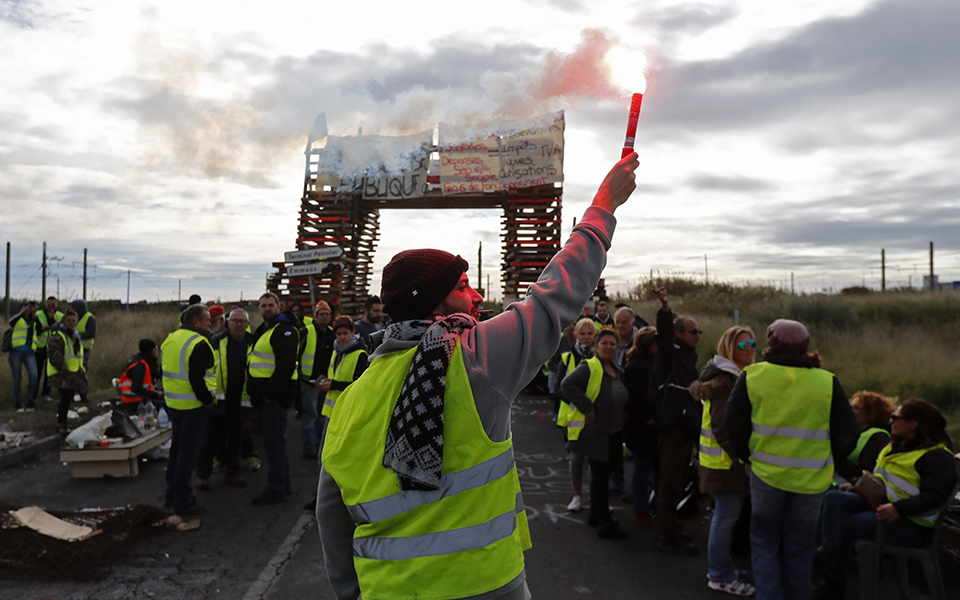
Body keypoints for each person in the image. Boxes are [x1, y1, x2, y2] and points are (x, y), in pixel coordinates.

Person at [317, 153, 639, 600]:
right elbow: (553, 300)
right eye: (463, 286)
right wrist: (604, 207)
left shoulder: (351, 399)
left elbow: (332, 521)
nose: (478, 295)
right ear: (435, 305)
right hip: (484, 585)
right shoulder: (471, 358)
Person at [725, 319, 858, 600]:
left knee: (763, 542)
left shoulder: (752, 376)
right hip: (811, 481)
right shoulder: (827, 382)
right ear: (806, 346)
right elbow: (848, 433)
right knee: (801, 547)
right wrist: (826, 458)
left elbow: (734, 425)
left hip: (766, 476)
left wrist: (747, 457)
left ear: (770, 344)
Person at [815, 399, 958, 600]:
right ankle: (828, 558)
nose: (891, 421)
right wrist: (856, 485)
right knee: (833, 499)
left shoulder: (937, 456)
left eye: (896, 417)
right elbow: (881, 479)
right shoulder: (895, 447)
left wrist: (898, 508)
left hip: (910, 524)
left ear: (912, 423)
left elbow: (935, 497)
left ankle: (830, 582)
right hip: (882, 504)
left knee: (839, 525)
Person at [689, 326, 757, 596]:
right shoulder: (727, 382)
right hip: (724, 464)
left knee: (723, 518)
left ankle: (722, 567)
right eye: (742, 345)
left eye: (751, 342)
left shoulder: (732, 377)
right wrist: (742, 457)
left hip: (719, 462)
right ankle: (719, 575)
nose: (750, 348)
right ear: (729, 349)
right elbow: (722, 426)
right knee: (724, 519)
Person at [562, 328, 631, 539]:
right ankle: (605, 522)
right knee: (600, 477)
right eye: (605, 343)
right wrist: (587, 407)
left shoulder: (617, 369)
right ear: (596, 347)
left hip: (614, 431)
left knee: (603, 475)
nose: (609, 347)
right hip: (598, 432)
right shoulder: (590, 366)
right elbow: (567, 384)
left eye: (613, 344)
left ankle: (595, 513)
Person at [651, 286, 702, 555]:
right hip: (673, 429)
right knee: (670, 484)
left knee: (679, 480)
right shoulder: (669, 357)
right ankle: (667, 536)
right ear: (679, 334)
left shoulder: (689, 359)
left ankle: (672, 527)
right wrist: (665, 308)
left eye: (699, 332)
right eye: (693, 331)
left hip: (686, 428)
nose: (698, 336)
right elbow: (663, 337)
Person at [161, 303, 216, 516]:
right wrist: (207, 400)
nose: (210, 323)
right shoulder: (199, 343)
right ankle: (183, 499)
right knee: (187, 454)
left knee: (176, 451)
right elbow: (197, 378)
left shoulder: (171, 338)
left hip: (174, 404)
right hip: (193, 406)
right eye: (207, 320)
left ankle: (171, 494)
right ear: (196, 322)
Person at [248, 292, 300, 506]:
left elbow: (285, 367)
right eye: (263, 305)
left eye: (271, 305)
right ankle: (283, 484)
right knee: (276, 443)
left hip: (274, 399)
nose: (267, 309)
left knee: (273, 444)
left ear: (279, 306)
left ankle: (276, 489)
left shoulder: (284, 331)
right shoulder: (266, 330)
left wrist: (269, 394)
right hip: (266, 398)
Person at [196, 308, 252, 490]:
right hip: (218, 401)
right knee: (209, 440)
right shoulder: (216, 342)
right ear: (228, 322)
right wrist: (207, 396)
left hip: (241, 401)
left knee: (235, 441)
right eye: (235, 320)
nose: (238, 324)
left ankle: (232, 474)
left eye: (242, 321)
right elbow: (205, 370)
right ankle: (203, 476)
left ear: (248, 324)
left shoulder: (253, 343)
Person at [558, 317, 597, 513]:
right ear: (576, 335)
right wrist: (581, 403)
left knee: (596, 460)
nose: (587, 337)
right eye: (583, 333)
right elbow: (559, 387)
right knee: (576, 459)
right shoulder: (568, 357)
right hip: (574, 417)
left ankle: (596, 498)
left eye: (590, 334)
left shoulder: (601, 357)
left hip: (595, 416)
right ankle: (577, 495)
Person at [622, 325, 658, 527]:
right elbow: (638, 396)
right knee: (643, 467)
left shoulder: (644, 363)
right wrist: (648, 417)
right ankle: (641, 508)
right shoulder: (637, 366)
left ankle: (642, 502)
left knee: (646, 467)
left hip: (642, 425)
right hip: (641, 427)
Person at [833, 391, 896, 482]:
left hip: (849, 487)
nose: (849, 410)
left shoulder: (878, 436)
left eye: (855, 408)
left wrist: (836, 458)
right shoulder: (846, 430)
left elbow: (866, 474)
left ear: (872, 413)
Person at [318, 317, 369, 430]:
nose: (342, 337)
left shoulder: (360, 354)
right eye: (339, 334)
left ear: (353, 332)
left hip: (348, 411)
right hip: (332, 412)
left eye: (345, 333)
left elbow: (361, 386)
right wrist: (327, 383)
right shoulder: (336, 352)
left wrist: (334, 385)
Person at [300, 300, 335, 459]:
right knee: (310, 414)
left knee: (322, 415)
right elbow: (297, 355)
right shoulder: (306, 331)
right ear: (316, 316)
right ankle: (309, 447)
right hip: (309, 382)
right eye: (322, 314)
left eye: (327, 314)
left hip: (325, 383)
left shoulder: (332, 334)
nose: (324, 317)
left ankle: (321, 445)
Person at [47, 309, 87, 433]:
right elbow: (55, 357)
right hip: (60, 373)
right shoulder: (58, 336)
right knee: (66, 397)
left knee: (68, 398)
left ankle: (63, 423)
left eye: (74, 321)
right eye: (68, 320)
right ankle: (61, 424)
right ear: (63, 321)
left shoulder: (75, 336)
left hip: (73, 372)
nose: (71, 323)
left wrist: (81, 371)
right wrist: (64, 371)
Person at [7, 301, 41, 411]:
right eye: (28, 307)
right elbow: (11, 322)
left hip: (29, 352)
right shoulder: (18, 318)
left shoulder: (34, 319)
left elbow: (39, 328)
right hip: (16, 351)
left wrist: (35, 316)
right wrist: (23, 312)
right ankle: (17, 403)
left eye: (32, 308)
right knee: (17, 378)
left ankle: (30, 400)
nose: (30, 309)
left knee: (34, 376)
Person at [115, 339, 164, 415]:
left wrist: (156, 390)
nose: (156, 351)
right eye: (155, 348)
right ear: (150, 350)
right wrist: (156, 393)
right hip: (135, 401)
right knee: (167, 405)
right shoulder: (140, 365)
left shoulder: (139, 361)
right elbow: (137, 388)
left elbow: (144, 386)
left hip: (136, 397)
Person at [34, 296, 63, 403]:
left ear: (56, 305)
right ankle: (34, 395)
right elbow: (35, 329)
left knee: (49, 373)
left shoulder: (60, 315)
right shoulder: (38, 314)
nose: (51, 307)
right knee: (37, 372)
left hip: (53, 348)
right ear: (46, 304)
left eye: (53, 305)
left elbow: (60, 329)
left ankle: (46, 393)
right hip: (39, 347)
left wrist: (52, 321)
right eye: (49, 305)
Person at [546, 321, 576, 420]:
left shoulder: (579, 342)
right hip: (561, 376)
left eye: (575, 324)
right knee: (559, 395)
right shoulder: (559, 342)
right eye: (570, 324)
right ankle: (557, 412)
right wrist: (563, 369)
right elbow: (552, 363)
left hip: (575, 377)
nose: (573, 327)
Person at [70, 299, 96, 403]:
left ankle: (83, 395)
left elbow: (91, 333)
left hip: (84, 350)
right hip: (72, 350)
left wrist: (77, 335)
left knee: (83, 372)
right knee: (71, 372)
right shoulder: (73, 318)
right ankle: (70, 395)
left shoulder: (90, 318)